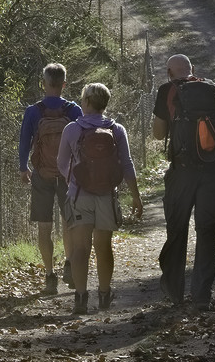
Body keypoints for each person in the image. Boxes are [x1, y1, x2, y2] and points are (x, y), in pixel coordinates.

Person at [151, 52, 215, 306]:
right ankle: (201, 296)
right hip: (213, 173)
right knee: (208, 231)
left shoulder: (167, 89)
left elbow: (158, 134)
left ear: (169, 72)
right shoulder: (214, 89)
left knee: (177, 230)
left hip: (182, 172)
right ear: (193, 70)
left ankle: (174, 292)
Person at [56, 82, 144, 315]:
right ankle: (104, 295)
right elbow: (127, 164)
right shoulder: (117, 130)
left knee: (79, 249)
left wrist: (73, 181)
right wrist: (136, 196)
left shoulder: (72, 130)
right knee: (103, 247)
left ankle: (81, 299)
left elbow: (61, 163)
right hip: (106, 196)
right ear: (105, 104)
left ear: (85, 102)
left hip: (79, 196)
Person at [17, 62, 82, 296]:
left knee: (45, 227)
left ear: (44, 84)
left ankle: (49, 277)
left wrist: (24, 168)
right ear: (64, 84)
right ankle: (69, 265)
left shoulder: (33, 111)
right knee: (69, 223)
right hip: (68, 176)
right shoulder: (74, 111)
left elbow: (25, 142)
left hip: (42, 175)